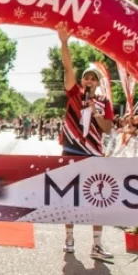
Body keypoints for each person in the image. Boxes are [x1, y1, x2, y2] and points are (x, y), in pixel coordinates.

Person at [57, 29, 114, 260]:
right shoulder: (74, 94)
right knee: (70, 198)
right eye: (86, 77)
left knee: (96, 199)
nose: (89, 80)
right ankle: (69, 239)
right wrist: (63, 42)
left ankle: (97, 245)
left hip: (94, 154)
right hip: (71, 150)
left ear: (98, 83)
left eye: (93, 78)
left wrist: (94, 111)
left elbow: (108, 128)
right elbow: (68, 68)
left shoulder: (103, 102)